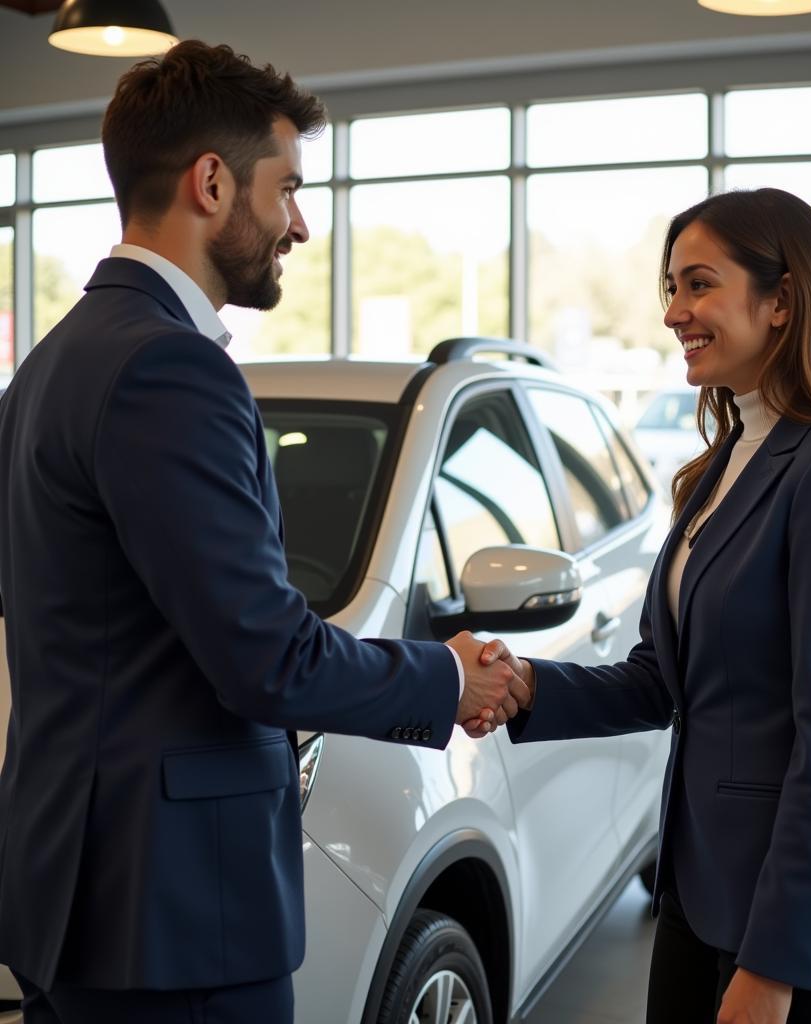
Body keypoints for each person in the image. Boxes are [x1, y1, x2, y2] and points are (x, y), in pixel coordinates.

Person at [0, 41, 527, 1024]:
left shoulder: (52, 364)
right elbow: (266, 660)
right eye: (286, 187)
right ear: (211, 182)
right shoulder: (170, 370)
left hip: (75, 895)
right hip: (174, 917)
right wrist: (448, 676)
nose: (300, 222)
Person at [473, 187, 811, 1023]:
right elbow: (665, 679)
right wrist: (530, 686)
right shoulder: (724, 460)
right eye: (671, 288)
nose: (673, 312)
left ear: (783, 303)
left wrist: (774, 965)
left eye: (698, 285)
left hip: (799, 919)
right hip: (703, 887)